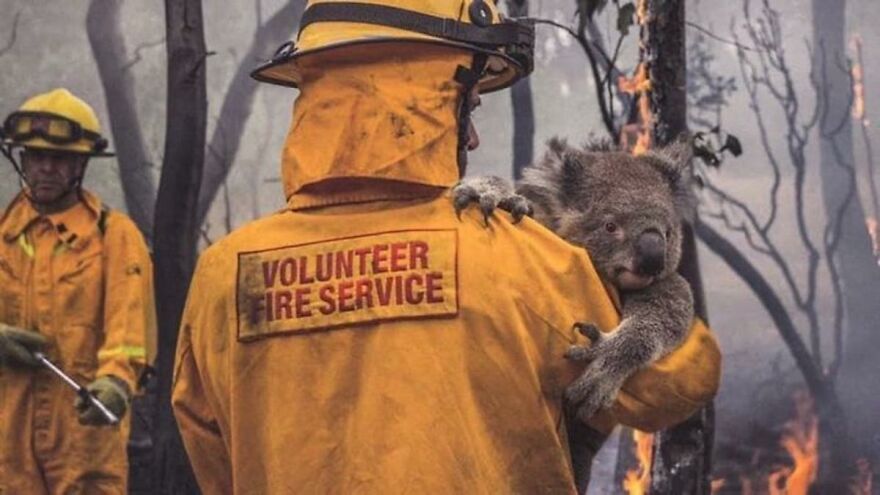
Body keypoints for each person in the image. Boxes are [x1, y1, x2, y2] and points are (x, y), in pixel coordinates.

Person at [172, 0, 720, 492]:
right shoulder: (516, 256)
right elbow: (676, 384)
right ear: (427, 95)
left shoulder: (223, 275)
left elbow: (215, 458)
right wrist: (665, 303)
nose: (475, 137)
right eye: (471, 105)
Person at [0, 88, 156, 494]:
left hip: (85, 443)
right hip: (8, 447)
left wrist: (116, 383)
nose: (46, 168)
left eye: (60, 158)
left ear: (80, 164)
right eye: (36, 157)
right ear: (23, 160)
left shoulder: (112, 236)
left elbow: (129, 327)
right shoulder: (3, 237)